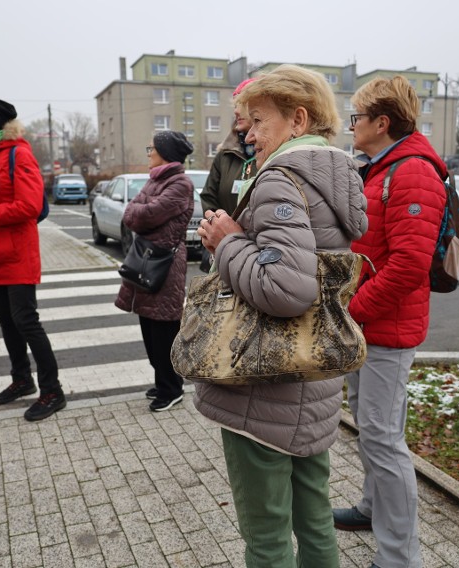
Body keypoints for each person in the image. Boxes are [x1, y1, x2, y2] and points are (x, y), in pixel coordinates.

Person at [193, 64, 367, 568]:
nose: (247, 132)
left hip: (263, 389)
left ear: (297, 118)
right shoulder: (331, 179)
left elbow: (285, 289)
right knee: (314, 521)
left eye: (258, 120)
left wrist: (226, 242)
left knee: (266, 536)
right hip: (311, 385)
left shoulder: (280, 181)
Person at [332, 75, 448, 568]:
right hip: (370, 326)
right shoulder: (383, 167)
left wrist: (348, 312)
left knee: (383, 436)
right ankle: (371, 507)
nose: (349, 125)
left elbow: (407, 267)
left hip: (386, 329)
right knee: (372, 427)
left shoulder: (412, 173)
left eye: (356, 117)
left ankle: (400, 557)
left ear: (383, 122)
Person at [0, 98, 67, 422]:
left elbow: (29, 206)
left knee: (26, 321)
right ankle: (22, 379)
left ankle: (52, 391)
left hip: (16, 253)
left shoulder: (17, 154)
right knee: (6, 320)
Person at [114, 130, 195, 412]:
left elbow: (145, 215)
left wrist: (139, 211)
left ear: (166, 153)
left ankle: (172, 388)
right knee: (148, 328)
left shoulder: (180, 184)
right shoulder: (156, 181)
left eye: (152, 148)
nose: (148, 152)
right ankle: (162, 381)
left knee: (163, 332)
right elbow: (131, 213)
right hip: (146, 259)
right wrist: (138, 211)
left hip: (164, 265)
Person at [200, 78, 256, 216]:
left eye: (242, 104)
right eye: (235, 106)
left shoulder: (277, 153)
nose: (236, 111)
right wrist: (217, 225)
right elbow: (208, 198)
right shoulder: (224, 154)